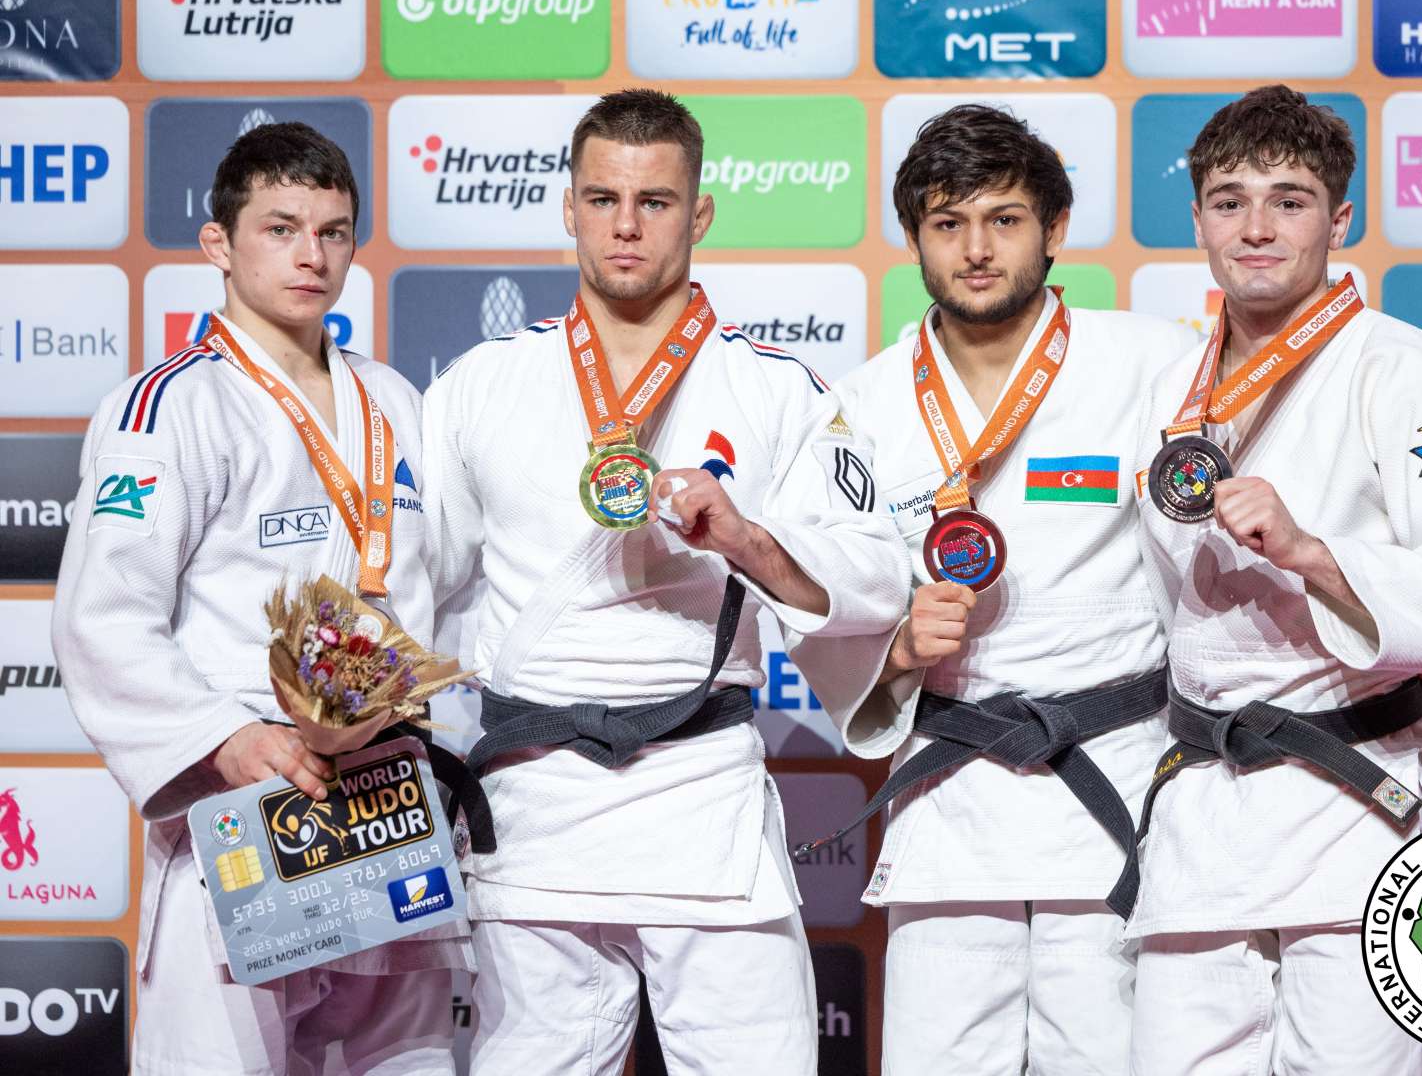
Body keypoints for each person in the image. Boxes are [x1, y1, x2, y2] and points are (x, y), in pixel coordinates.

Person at [421, 89, 909, 1076]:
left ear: (700, 213)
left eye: (654, 201)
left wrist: (745, 538)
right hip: (529, 805)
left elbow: (874, 572)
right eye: (602, 199)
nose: (626, 225)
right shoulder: (480, 383)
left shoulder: (776, 389)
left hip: (702, 798)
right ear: (568, 208)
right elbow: (416, 581)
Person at [1126, 85, 1422, 1075]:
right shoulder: (1171, 387)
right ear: (1196, 218)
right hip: (1202, 816)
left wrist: (1315, 554)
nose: (1255, 227)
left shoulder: (1406, 375)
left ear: (1340, 218)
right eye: (1229, 200)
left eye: (1289, 199)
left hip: (1352, 810)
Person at [52, 122, 466, 1074]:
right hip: (244, 806)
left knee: (403, 1063)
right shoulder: (170, 405)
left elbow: (444, 592)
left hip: (385, 807)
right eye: (281, 227)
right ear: (218, 245)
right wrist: (226, 739)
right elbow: (103, 615)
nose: (311, 255)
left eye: (333, 231)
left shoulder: (395, 402)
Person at [817, 104, 1196, 1075]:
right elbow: (831, 594)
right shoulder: (860, 404)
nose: (976, 249)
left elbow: (1207, 568)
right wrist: (897, 648)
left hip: (1112, 779)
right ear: (914, 241)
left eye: (1004, 219)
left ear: (1054, 229)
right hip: (955, 797)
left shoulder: (1153, 366)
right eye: (948, 224)